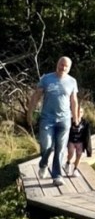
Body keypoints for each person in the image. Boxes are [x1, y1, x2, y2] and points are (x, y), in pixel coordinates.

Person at [27, 56, 79, 187]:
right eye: (61, 64)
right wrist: (30, 112)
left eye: (66, 66)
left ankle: (57, 175)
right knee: (47, 146)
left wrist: (76, 119)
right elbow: (36, 96)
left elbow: (74, 101)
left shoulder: (72, 81)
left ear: (69, 68)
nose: (63, 68)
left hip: (64, 119)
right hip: (47, 119)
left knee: (61, 148)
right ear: (57, 64)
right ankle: (43, 164)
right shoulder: (46, 79)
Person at [65, 104, 92, 177]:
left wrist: (88, 149)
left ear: (82, 113)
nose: (78, 113)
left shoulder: (85, 123)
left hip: (80, 141)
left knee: (79, 155)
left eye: (80, 112)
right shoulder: (70, 121)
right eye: (77, 112)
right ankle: (68, 162)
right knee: (70, 153)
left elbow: (87, 135)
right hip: (71, 140)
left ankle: (75, 169)